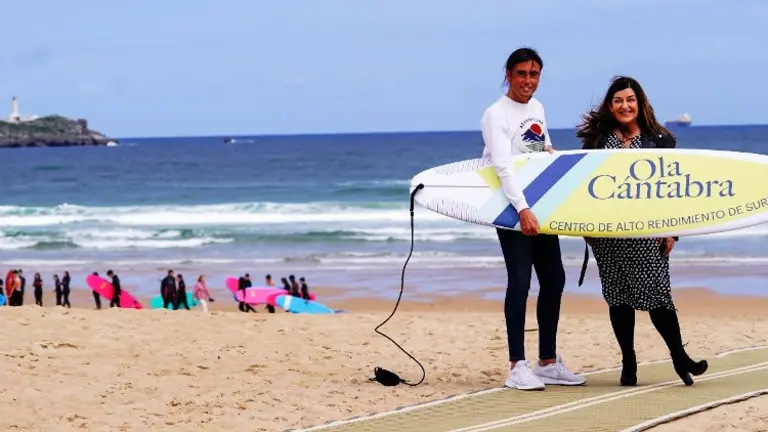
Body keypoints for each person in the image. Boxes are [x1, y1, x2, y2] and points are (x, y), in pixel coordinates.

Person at [576, 76, 708, 387]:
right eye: (619, 100)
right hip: (607, 234)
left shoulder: (659, 139)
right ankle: (629, 361)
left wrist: (672, 232)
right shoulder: (597, 141)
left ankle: (679, 357)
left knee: (658, 296)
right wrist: (582, 225)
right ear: (610, 105)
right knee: (618, 297)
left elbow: (672, 190)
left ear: (640, 103)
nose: (625, 106)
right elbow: (582, 187)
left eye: (630, 100)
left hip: (645, 232)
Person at [480, 47, 585, 391]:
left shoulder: (537, 108)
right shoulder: (496, 114)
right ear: (508, 74)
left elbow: (539, 150)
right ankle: (516, 366)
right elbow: (503, 165)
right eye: (521, 73)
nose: (528, 80)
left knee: (554, 280)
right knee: (521, 283)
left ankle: (547, 363)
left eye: (534, 74)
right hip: (511, 209)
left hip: (538, 206)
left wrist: (561, 162)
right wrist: (522, 209)